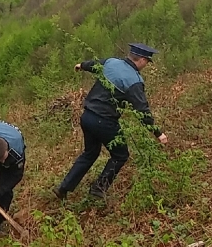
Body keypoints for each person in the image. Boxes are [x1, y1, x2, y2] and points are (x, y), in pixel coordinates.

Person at [54, 43, 169, 200]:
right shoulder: (134, 81)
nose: (146, 65)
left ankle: (63, 188)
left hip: (87, 117)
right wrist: (158, 133)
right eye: (147, 62)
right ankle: (98, 189)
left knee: (89, 153)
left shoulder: (112, 62)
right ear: (142, 60)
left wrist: (81, 65)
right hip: (105, 122)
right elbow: (142, 111)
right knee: (120, 155)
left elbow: (94, 64)